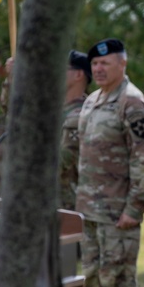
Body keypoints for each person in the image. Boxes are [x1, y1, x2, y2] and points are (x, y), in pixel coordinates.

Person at [77, 38, 144, 287]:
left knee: (118, 275)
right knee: (94, 276)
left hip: (117, 209)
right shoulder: (93, 100)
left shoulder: (131, 102)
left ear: (122, 64)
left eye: (105, 63)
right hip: (89, 208)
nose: (98, 68)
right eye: (95, 64)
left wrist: (135, 208)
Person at [60, 50, 91, 211]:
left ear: (79, 74)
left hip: (68, 204)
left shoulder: (82, 116)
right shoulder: (54, 110)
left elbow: (63, 160)